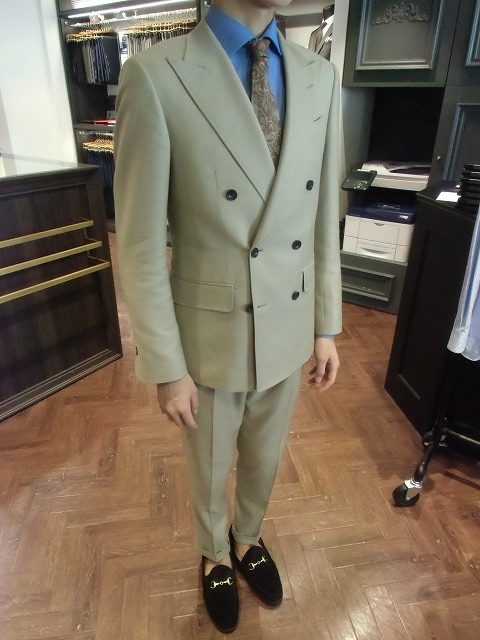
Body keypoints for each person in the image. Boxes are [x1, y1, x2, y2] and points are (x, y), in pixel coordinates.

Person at [114, 0, 342, 632]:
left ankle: (249, 537)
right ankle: (214, 552)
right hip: (210, 328)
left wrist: (325, 324)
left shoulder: (319, 75)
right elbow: (139, 242)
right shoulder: (155, 74)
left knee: (265, 455)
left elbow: (323, 211)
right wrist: (165, 364)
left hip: (289, 320)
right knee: (211, 463)